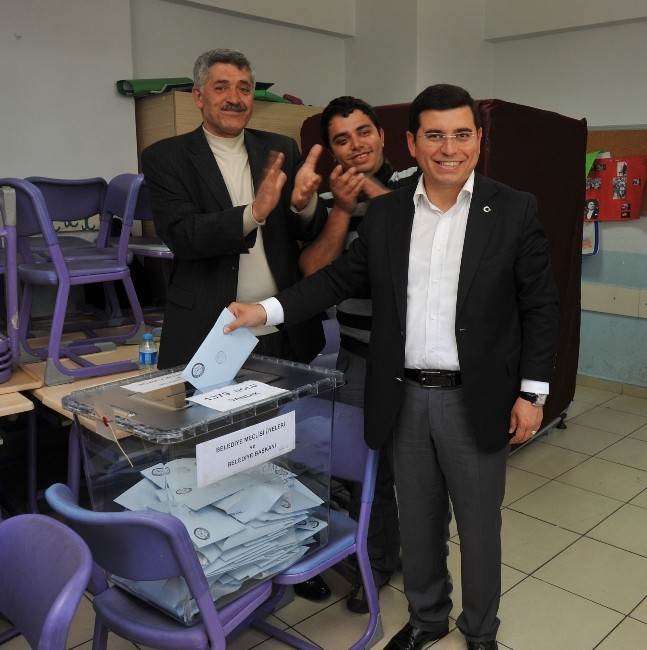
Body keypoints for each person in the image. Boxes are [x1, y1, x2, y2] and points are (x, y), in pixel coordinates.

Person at [224, 84, 560, 650]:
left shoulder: (512, 208)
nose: (449, 148)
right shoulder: (388, 213)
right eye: (435, 135)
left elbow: (541, 306)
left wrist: (533, 393)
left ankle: (480, 631)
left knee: (479, 526)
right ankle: (428, 619)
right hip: (404, 395)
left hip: (476, 396)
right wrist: (265, 310)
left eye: (461, 135)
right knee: (418, 521)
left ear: (479, 140)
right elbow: (336, 279)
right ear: (412, 142)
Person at [141, 48, 330, 601]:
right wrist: (254, 213)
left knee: (277, 448)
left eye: (244, 88)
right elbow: (184, 236)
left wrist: (303, 205)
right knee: (205, 450)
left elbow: (304, 229)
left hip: (278, 327)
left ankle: (285, 552)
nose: (234, 98)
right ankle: (211, 568)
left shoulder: (280, 149)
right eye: (222, 87)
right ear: (199, 96)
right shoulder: (166, 157)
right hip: (210, 333)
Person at [300, 96, 417, 614]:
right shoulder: (333, 202)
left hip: (412, 360)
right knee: (362, 469)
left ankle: (411, 560)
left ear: (383, 136)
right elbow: (314, 274)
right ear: (333, 151)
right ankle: (375, 561)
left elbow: (420, 237)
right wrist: (343, 209)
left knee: (417, 468)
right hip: (355, 356)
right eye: (342, 139)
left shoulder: (415, 182)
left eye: (364, 132)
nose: (356, 145)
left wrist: (368, 192)